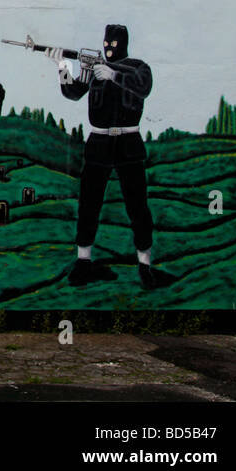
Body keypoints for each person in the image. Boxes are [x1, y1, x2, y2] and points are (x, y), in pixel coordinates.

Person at [49, 24, 156, 289]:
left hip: (128, 143)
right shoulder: (93, 69)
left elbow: (144, 87)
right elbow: (72, 93)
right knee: (89, 203)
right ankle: (83, 261)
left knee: (137, 206)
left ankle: (145, 264)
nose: (108, 49)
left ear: (124, 44)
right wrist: (62, 65)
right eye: (106, 44)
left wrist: (114, 75)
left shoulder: (138, 67)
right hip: (99, 143)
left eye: (114, 45)